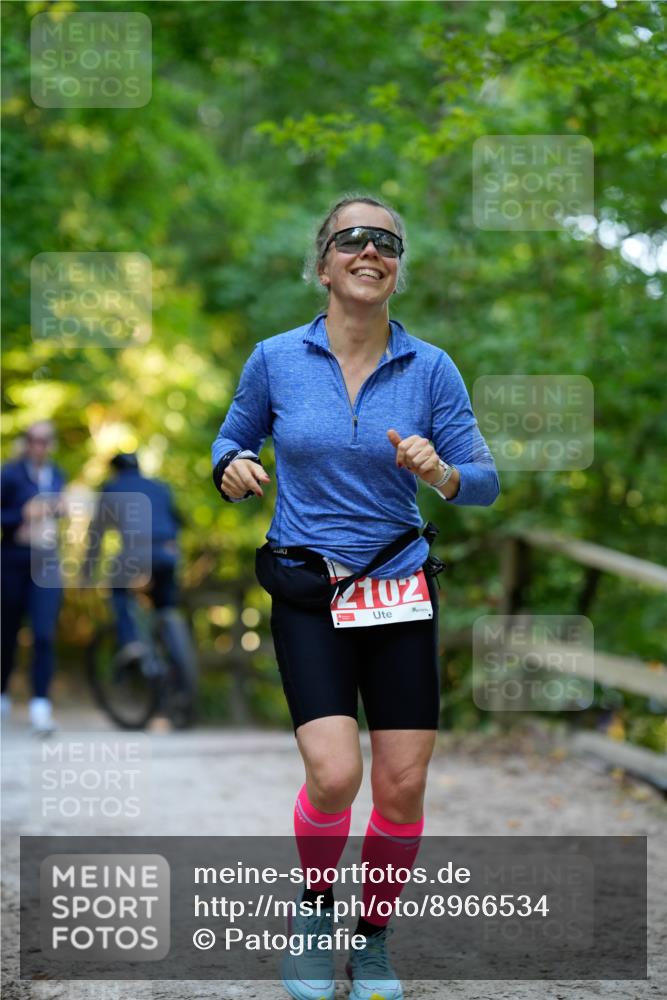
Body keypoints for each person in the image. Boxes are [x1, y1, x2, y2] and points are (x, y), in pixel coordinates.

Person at [211, 195, 500, 1000]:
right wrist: (230, 467)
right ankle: (312, 914)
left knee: (402, 783)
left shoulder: (430, 368)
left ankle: (370, 941)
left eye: (387, 243)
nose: (370, 252)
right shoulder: (275, 358)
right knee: (335, 775)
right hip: (310, 590)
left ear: (396, 267)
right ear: (324, 260)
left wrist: (441, 473)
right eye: (353, 240)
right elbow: (233, 435)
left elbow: (483, 482)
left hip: (398, 591)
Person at [83, 452, 184, 663]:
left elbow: (97, 536)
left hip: (134, 552)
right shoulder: (159, 487)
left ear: (115, 470)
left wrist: (87, 573)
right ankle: (170, 647)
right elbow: (178, 520)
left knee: (118, 589)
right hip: (167, 551)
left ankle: (131, 642)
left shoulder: (112, 489)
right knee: (164, 605)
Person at [1, 421, 65, 734]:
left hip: (47, 561)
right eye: (33, 439)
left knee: (43, 634)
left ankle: (41, 706)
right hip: (13, 561)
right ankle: (2, 693)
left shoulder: (57, 475)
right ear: (26, 442)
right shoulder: (10, 474)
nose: (39, 445)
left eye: (45, 440)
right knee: (8, 632)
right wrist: (22, 515)